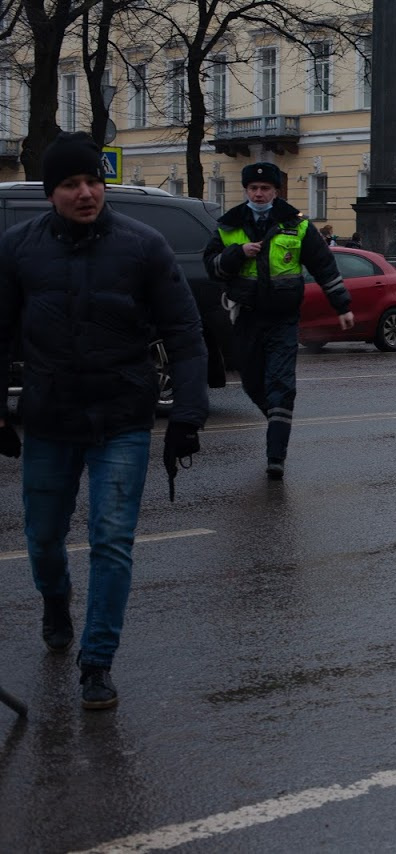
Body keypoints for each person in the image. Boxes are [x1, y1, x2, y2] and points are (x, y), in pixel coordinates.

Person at [0, 132, 209, 709]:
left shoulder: (144, 246)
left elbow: (185, 335)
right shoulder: (19, 248)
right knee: (43, 540)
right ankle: (54, 599)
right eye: (71, 184)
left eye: (94, 180)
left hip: (121, 416)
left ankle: (97, 662)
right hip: (48, 417)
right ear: (51, 193)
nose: (86, 192)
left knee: (112, 541)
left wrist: (187, 415)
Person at [203, 161, 353, 480]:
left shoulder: (295, 224)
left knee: (282, 385)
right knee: (252, 382)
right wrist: (238, 253)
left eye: (265, 189)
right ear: (246, 190)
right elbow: (212, 268)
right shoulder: (229, 225)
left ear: (276, 191)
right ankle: (277, 420)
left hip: (284, 318)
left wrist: (342, 306)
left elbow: (324, 265)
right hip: (245, 317)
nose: (259, 194)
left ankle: (276, 457)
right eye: (253, 188)